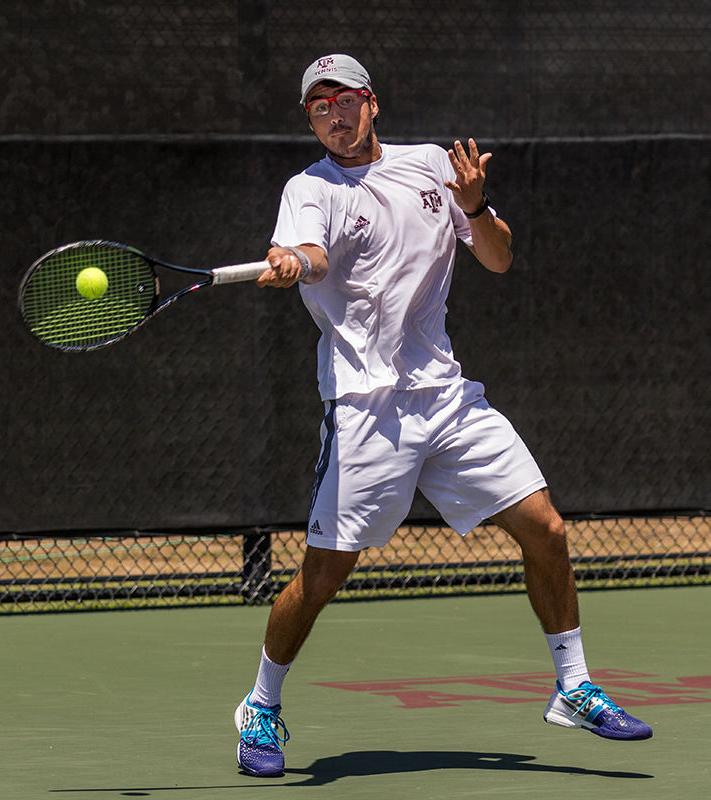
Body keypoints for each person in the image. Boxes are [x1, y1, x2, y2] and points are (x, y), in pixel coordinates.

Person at [234, 53, 653, 778]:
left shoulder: (432, 165)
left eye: (346, 101)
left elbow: (497, 259)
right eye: (319, 107)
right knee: (324, 575)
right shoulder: (309, 188)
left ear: (373, 104)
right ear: (311, 121)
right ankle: (261, 705)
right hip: (367, 410)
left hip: (447, 399)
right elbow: (311, 250)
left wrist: (475, 206)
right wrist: (295, 262)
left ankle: (574, 686)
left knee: (546, 529)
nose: (335, 115)